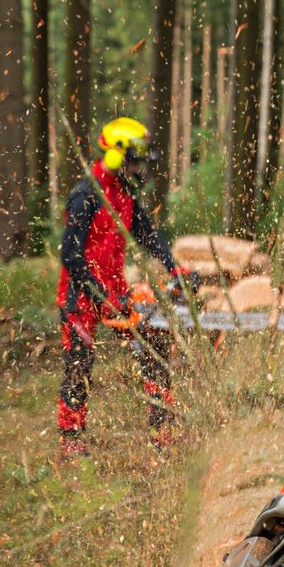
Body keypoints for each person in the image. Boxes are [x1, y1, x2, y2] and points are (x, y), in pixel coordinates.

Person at [56, 117, 188, 458]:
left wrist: (174, 266)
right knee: (79, 364)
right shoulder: (85, 195)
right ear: (115, 156)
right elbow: (70, 254)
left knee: (153, 344)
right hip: (81, 295)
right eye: (132, 159)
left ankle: (162, 429)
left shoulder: (125, 193)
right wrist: (94, 289)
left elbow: (148, 235)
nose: (137, 167)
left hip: (114, 291)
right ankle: (71, 438)